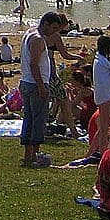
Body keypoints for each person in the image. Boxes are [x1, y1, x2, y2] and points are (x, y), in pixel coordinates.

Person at [18, 12, 64, 168]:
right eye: (53, 27)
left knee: (29, 117)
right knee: (38, 119)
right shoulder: (37, 39)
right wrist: (40, 85)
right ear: (45, 23)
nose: (54, 31)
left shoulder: (29, 33)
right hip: (34, 83)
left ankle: (28, 153)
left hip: (26, 81)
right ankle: (35, 153)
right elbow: (34, 64)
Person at [90, 35, 110, 154]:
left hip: (102, 94)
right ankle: (104, 152)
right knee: (105, 128)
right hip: (105, 96)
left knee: (103, 127)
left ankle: (91, 152)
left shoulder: (100, 61)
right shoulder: (103, 63)